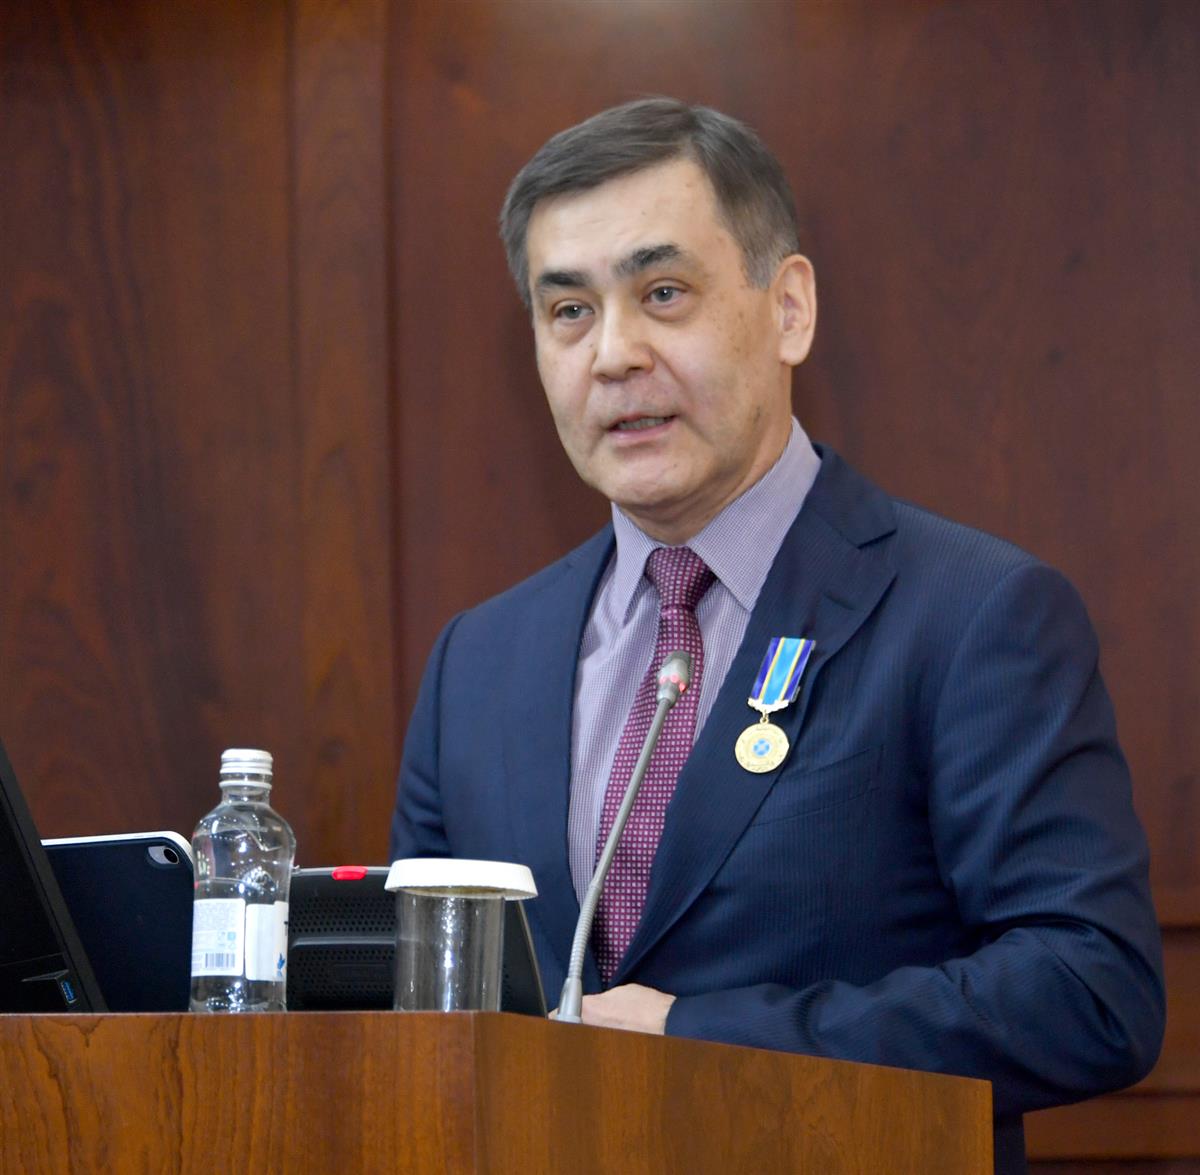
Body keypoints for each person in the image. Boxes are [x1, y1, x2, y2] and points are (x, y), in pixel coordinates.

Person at [389, 98, 1164, 1173]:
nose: (613, 354)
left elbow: (1091, 989)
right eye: (568, 310)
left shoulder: (973, 614)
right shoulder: (477, 663)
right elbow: (419, 1012)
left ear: (788, 308)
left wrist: (695, 1038)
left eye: (663, 293)